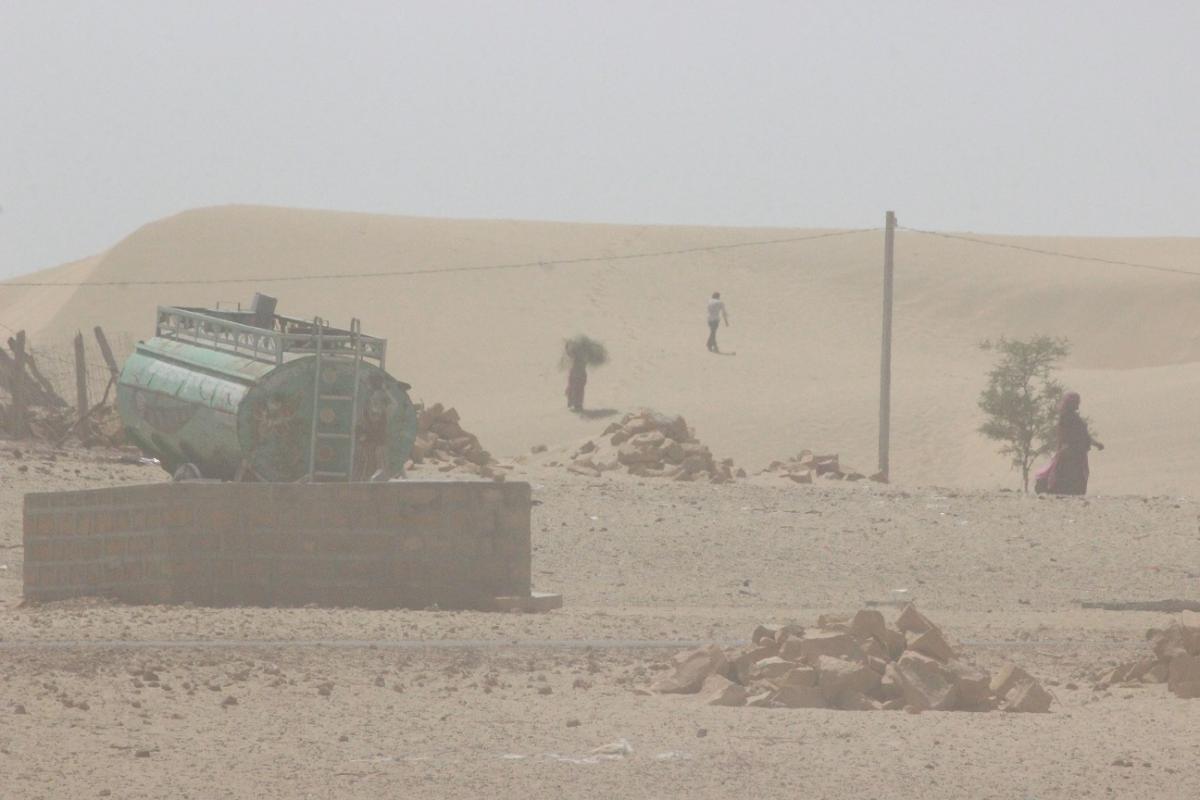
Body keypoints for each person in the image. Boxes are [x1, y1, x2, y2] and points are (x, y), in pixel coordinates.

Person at [1037, 391, 1103, 495]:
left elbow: (1084, 435)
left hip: (1077, 453)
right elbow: (1065, 435)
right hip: (1071, 453)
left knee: (1076, 476)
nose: (1078, 405)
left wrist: (1096, 444)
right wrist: (1063, 448)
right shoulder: (1067, 418)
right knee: (1069, 476)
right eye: (1076, 402)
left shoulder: (1073, 418)